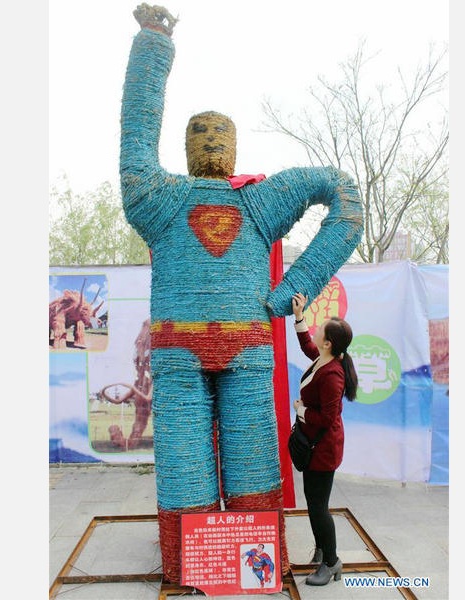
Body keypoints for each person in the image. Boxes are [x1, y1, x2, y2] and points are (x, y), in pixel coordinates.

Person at [119, 3, 364, 584]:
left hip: (246, 348)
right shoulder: (163, 199)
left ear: (234, 144)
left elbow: (344, 196)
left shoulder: (257, 201)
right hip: (183, 352)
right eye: (199, 131)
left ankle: (249, 563)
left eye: (218, 131)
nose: (209, 139)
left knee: (250, 458)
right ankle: (194, 565)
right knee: (184, 464)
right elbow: (135, 146)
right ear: (186, 147)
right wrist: (153, 41)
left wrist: (291, 292)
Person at [290, 292, 358, 586]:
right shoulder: (323, 358)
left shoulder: (332, 375)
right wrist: (299, 317)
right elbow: (308, 346)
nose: (316, 330)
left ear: (328, 343)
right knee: (314, 502)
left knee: (319, 506)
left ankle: (331, 563)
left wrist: (301, 410)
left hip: (323, 449)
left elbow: (328, 418)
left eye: (321, 328)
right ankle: (321, 549)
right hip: (315, 445)